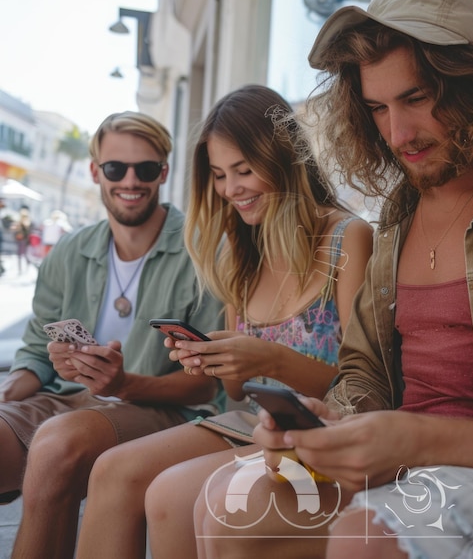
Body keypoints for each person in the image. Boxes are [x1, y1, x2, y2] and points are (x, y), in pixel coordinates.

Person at [194, 0, 473, 558]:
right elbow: (364, 374)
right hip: (400, 471)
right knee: (226, 505)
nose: (398, 134)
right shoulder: (398, 217)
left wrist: (413, 438)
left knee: (363, 537)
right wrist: (325, 421)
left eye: (416, 99)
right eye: (376, 108)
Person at [74, 85, 373, 559]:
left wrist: (270, 357)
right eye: (218, 175)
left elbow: (363, 385)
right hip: (252, 422)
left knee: (169, 494)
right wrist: (216, 360)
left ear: (282, 159)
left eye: (243, 170)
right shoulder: (242, 251)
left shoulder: (346, 239)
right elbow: (237, 392)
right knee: (111, 469)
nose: (231, 190)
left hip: (322, 431)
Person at [0, 111, 224, 559]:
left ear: (163, 172)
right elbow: (35, 355)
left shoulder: (203, 250)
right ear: (95, 171)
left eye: (145, 169)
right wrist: (8, 393)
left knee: (58, 445)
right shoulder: (70, 249)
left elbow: (207, 383)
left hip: (163, 409)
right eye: (115, 168)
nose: (130, 180)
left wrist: (123, 384)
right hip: (67, 398)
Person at [11, 204, 32, 274]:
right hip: (20, 240)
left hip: (24, 240)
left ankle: (26, 266)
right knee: (21, 255)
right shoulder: (19, 222)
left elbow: (27, 232)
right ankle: (21, 269)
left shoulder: (26, 222)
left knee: (23, 255)